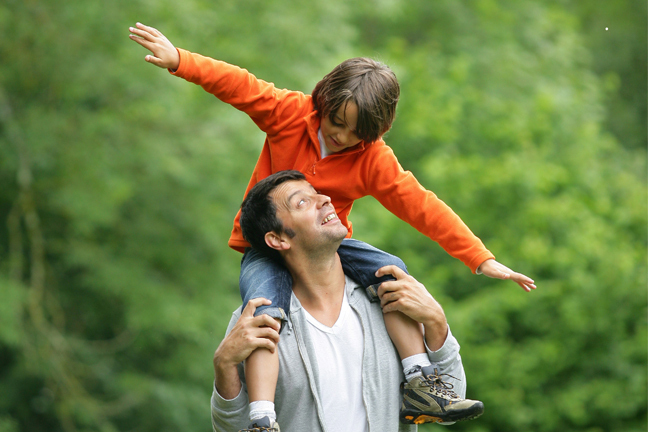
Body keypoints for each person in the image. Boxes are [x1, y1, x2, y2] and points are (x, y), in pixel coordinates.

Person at [128, 23, 536, 430]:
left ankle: (418, 380)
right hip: (265, 246)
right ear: (324, 99)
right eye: (336, 122)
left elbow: (421, 205)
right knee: (264, 315)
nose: (340, 136)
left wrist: (479, 258)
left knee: (391, 272)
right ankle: (262, 418)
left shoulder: (372, 158)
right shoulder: (290, 114)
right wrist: (180, 60)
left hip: (329, 243)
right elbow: (239, 85)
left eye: (355, 134)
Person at [214, 170, 483, 431]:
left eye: (317, 193)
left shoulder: (390, 298)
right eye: (303, 202)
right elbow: (232, 430)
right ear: (278, 238)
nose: (325, 199)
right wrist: (224, 367)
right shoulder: (254, 321)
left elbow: (449, 410)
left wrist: (437, 322)